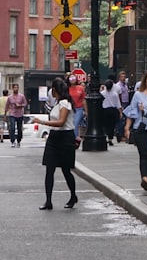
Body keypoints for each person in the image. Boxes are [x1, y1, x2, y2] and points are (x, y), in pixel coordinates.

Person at [38, 78, 79, 210]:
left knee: (66, 170)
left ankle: (73, 196)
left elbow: (61, 122)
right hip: (54, 137)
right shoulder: (56, 105)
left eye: (52, 91)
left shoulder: (65, 104)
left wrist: (42, 122)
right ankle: (48, 201)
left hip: (65, 137)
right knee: (49, 169)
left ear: (55, 91)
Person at [123, 75, 147, 191]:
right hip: (141, 128)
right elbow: (132, 112)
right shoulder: (138, 95)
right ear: (145, 81)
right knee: (144, 154)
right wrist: (127, 128)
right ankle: (145, 179)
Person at [5, 83, 28, 147]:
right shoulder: (9, 97)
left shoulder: (22, 96)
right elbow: (7, 106)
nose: (16, 89)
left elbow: (25, 104)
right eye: (15, 88)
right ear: (13, 89)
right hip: (12, 114)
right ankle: (13, 141)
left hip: (20, 114)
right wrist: (5, 115)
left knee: (19, 129)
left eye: (17, 88)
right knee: (12, 128)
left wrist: (20, 105)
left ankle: (19, 140)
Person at [101, 78, 122, 146]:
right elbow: (118, 104)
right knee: (112, 125)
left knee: (104, 125)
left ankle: (105, 136)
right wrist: (120, 112)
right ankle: (110, 138)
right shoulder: (115, 94)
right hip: (113, 110)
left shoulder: (102, 93)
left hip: (104, 110)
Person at [68, 75, 86, 139]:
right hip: (69, 109)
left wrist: (86, 111)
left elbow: (84, 100)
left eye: (74, 78)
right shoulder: (67, 88)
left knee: (75, 124)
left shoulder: (80, 88)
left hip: (79, 108)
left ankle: (74, 139)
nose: (72, 79)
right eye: (71, 78)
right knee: (70, 124)